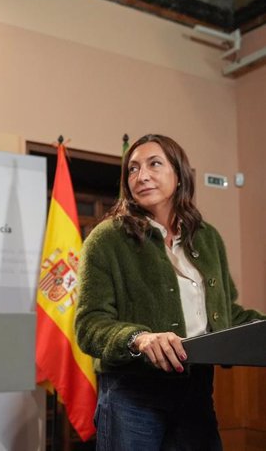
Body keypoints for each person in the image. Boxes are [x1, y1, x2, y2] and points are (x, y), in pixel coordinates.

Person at [75, 134, 264, 450]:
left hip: (198, 392)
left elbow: (228, 315)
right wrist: (140, 339)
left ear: (179, 175)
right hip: (131, 396)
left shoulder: (208, 238)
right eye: (133, 169)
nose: (142, 176)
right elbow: (89, 325)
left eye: (154, 164)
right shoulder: (106, 239)